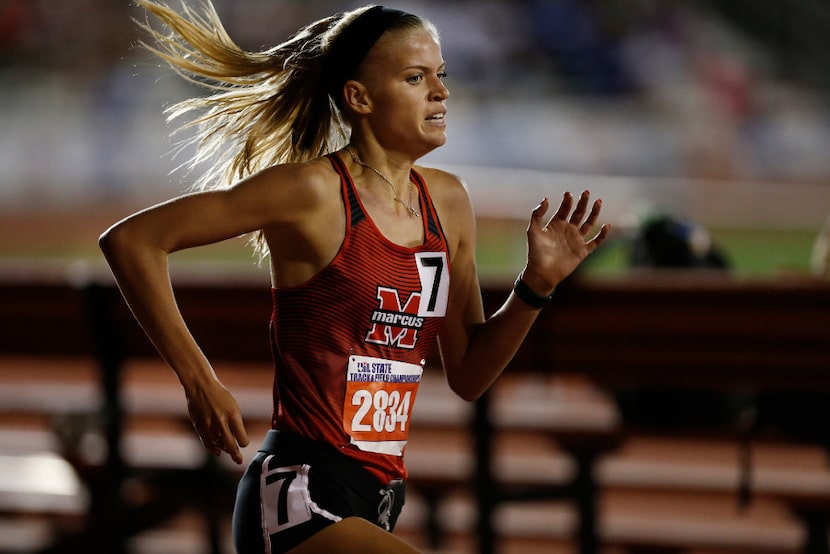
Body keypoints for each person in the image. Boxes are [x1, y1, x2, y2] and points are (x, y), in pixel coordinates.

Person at [99, 2, 610, 553]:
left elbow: (468, 374)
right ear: (359, 98)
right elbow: (132, 241)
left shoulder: (449, 203)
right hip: (300, 492)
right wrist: (200, 381)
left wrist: (535, 286)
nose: (440, 91)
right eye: (415, 77)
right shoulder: (311, 192)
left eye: (441, 75)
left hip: (381, 496)